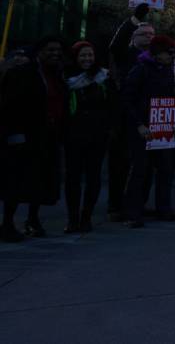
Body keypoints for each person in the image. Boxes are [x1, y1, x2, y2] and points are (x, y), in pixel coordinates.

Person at [1, 36, 66, 242]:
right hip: (24, 136)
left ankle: (32, 219)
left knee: (40, 179)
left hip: (47, 135)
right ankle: (8, 223)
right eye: (50, 50)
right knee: (16, 182)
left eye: (58, 50)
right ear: (39, 52)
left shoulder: (57, 75)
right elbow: (9, 105)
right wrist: (14, 133)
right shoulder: (22, 73)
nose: (55, 54)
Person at [121, 34, 175, 228]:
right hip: (143, 128)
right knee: (140, 171)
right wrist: (138, 124)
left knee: (165, 169)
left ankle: (163, 208)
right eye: (168, 52)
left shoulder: (167, 70)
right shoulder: (140, 70)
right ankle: (132, 212)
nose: (172, 56)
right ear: (157, 53)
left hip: (162, 127)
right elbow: (127, 100)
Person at [64, 41, 117, 233]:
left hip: (97, 135)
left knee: (93, 178)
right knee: (73, 178)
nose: (87, 59)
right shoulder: (67, 79)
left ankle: (86, 217)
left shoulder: (103, 77)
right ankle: (72, 218)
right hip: (74, 136)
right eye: (83, 56)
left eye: (90, 55)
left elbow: (112, 105)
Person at [107, 21, 155, 221]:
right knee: (121, 165)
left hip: (148, 119)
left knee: (144, 167)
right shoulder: (125, 56)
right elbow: (115, 46)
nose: (148, 38)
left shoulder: (155, 60)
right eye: (143, 34)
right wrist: (132, 21)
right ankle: (116, 205)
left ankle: (137, 203)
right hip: (123, 119)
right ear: (133, 37)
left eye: (151, 34)